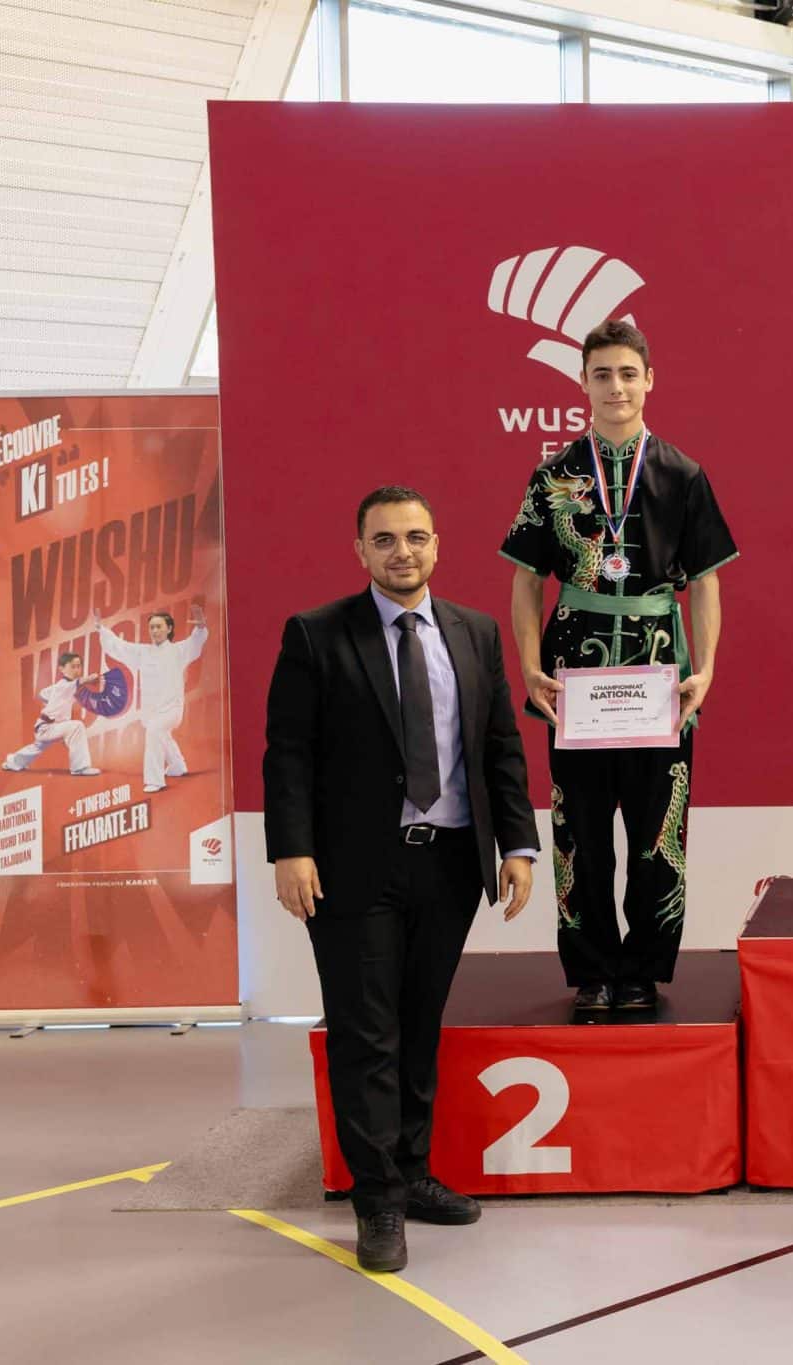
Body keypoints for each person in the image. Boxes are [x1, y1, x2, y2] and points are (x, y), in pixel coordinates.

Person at [265, 485, 538, 1273]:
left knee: (418, 1027)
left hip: (449, 863)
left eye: (415, 536)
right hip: (353, 868)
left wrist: (517, 844)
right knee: (366, 1034)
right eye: (383, 539)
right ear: (361, 551)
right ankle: (377, 1199)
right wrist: (291, 850)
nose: (401, 552)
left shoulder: (475, 632)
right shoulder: (317, 634)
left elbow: (499, 746)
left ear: (436, 544)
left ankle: (412, 1171)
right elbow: (288, 751)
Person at [503, 319, 737, 1013]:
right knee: (579, 831)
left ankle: (642, 970)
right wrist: (529, 667)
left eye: (628, 374)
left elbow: (708, 583)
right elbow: (525, 581)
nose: (615, 387)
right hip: (573, 677)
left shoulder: (683, 474)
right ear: (582, 382)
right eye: (602, 374)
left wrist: (707, 670)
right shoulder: (553, 476)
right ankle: (592, 971)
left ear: (649, 381)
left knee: (657, 829)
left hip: (660, 672)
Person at [96, 603, 208, 793]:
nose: (155, 631)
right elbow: (120, 647)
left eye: (159, 627)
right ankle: (178, 765)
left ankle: (155, 780)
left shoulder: (178, 650)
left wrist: (200, 627)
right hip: (151, 710)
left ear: (169, 629)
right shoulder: (143, 652)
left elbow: (195, 642)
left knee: (155, 731)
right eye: (152, 627)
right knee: (160, 733)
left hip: (172, 709)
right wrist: (102, 629)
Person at [1, 650, 102, 776]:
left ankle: (12, 762)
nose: (77, 669)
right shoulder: (64, 685)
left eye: (79, 666)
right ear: (61, 669)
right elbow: (80, 682)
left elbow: (42, 694)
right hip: (47, 727)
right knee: (77, 726)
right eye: (72, 666)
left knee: (36, 748)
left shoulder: (59, 687)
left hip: (51, 727)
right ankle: (80, 768)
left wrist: (53, 704)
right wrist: (90, 678)